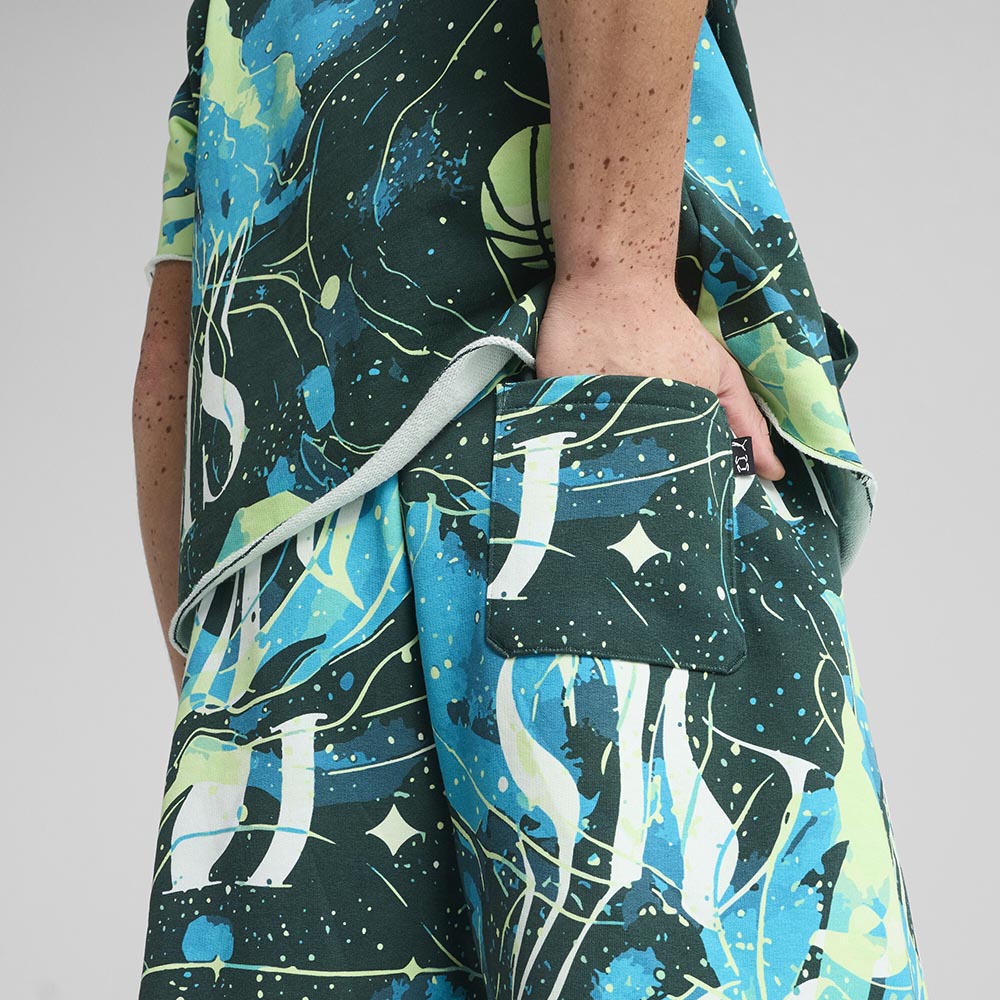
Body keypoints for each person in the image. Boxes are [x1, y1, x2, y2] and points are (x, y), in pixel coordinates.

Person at [132, 1, 928, 996]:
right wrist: (618, 273)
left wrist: (225, 667)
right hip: (546, 434)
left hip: (282, 592)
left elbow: (172, 361)